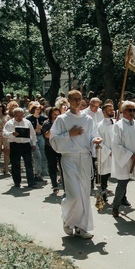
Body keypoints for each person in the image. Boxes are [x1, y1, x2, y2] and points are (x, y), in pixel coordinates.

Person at [50, 90, 101, 238]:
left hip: (84, 158)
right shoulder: (61, 119)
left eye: (80, 99)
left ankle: (81, 227)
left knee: (84, 194)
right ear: (68, 100)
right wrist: (69, 134)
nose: (78, 102)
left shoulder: (88, 119)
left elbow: (93, 135)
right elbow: (53, 141)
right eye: (75, 99)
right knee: (74, 196)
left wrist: (95, 141)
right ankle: (67, 220)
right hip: (69, 158)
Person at [3, 107, 38, 188]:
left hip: (25, 145)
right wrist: (11, 133)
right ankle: (17, 182)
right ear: (14, 115)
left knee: (28, 163)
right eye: (18, 116)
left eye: (21, 115)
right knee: (15, 164)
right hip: (15, 144)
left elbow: (32, 134)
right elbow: (4, 133)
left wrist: (34, 144)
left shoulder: (27, 122)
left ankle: (31, 182)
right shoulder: (9, 123)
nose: (20, 117)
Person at [95, 101, 116, 200]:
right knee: (105, 174)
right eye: (110, 110)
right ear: (104, 112)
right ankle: (103, 191)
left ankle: (123, 197)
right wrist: (108, 151)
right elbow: (99, 141)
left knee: (121, 175)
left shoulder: (117, 123)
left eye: (113, 109)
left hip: (116, 152)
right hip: (105, 153)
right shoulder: (99, 126)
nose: (112, 111)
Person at [42, 107, 62, 193]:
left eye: (58, 114)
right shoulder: (47, 123)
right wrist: (54, 126)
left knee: (63, 167)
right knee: (52, 166)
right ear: (51, 115)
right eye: (54, 114)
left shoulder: (62, 123)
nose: (56, 116)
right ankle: (54, 185)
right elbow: (46, 135)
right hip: (50, 148)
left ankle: (65, 186)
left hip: (61, 148)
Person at [26, 102, 47, 181]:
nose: (38, 111)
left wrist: (42, 129)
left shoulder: (43, 118)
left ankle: (43, 172)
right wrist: (35, 130)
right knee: (37, 154)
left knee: (43, 154)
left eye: (39, 109)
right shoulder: (28, 119)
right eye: (36, 109)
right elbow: (28, 131)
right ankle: (37, 172)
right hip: (33, 137)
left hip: (41, 137)